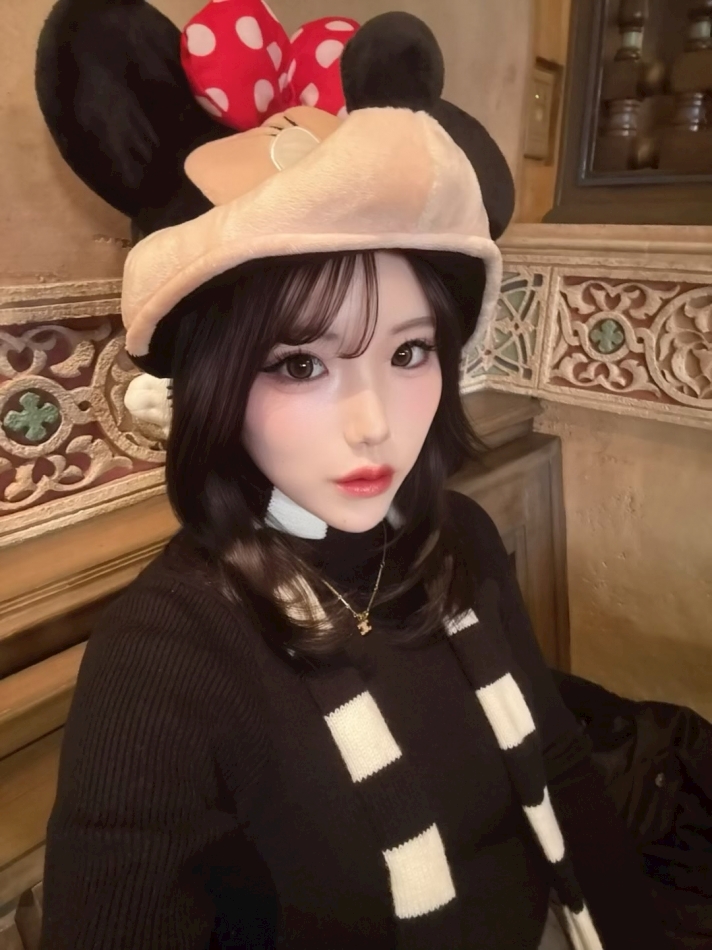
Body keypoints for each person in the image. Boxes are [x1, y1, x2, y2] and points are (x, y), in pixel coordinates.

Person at [35, 1, 670, 948]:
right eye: (301, 364)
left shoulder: (459, 539)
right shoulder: (163, 662)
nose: (375, 424)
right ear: (212, 381)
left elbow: (563, 771)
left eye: (409, 353)